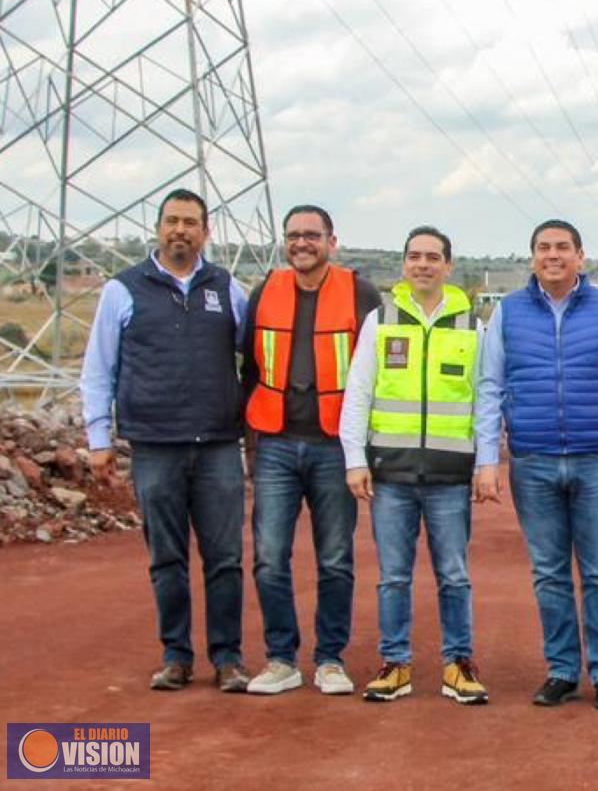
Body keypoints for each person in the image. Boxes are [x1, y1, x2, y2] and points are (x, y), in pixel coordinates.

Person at [80, 187, 251, 692]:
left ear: (206, 231)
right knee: (166, 556)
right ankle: (176, 656)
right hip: (155, 446)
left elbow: (256, 355)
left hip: (219, 444)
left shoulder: (228, 288)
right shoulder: (124, 290)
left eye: (191, 222)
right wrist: (98, 437)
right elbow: (98, 369)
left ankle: (228, 659)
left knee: (225, 557)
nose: (181, 230)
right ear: (158, 228)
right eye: (173, 221)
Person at [473, 219, 598, 710]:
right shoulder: (507, 313)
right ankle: (563, 670)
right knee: (549, 572)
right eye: (544, 248)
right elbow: (490, 387)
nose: (554, 255)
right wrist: (488, 460)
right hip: (533, 459)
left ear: (580, 256)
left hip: (596, 457)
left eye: (563, 247)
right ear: (532, 257)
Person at [338, 226, 488, 705]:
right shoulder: (380, 321)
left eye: (433, 257)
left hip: (449, 477)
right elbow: (359, 391)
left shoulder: (472, 326)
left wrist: (486, 463)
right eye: (415, 256)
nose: (423, 264)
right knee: (394, 577)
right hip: (391, 474)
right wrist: (354, 459)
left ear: (448, 265)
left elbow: (485, 399)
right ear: (404, 264)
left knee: (454, 575)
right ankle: (395, 664)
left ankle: (458, 664)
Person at [240, 205, 380, 696]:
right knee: (270, 557)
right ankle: (281, 659)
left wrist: (363, 447)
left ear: (331, 241)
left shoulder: (359, 292)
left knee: (336, 558)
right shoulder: (266, 291)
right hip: (276, 443)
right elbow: (248, 363)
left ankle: (330, 659)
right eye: (294, 235)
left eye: (312, 235)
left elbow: (374, 370)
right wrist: (250, 435)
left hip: (334, 446)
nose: (302, 243)